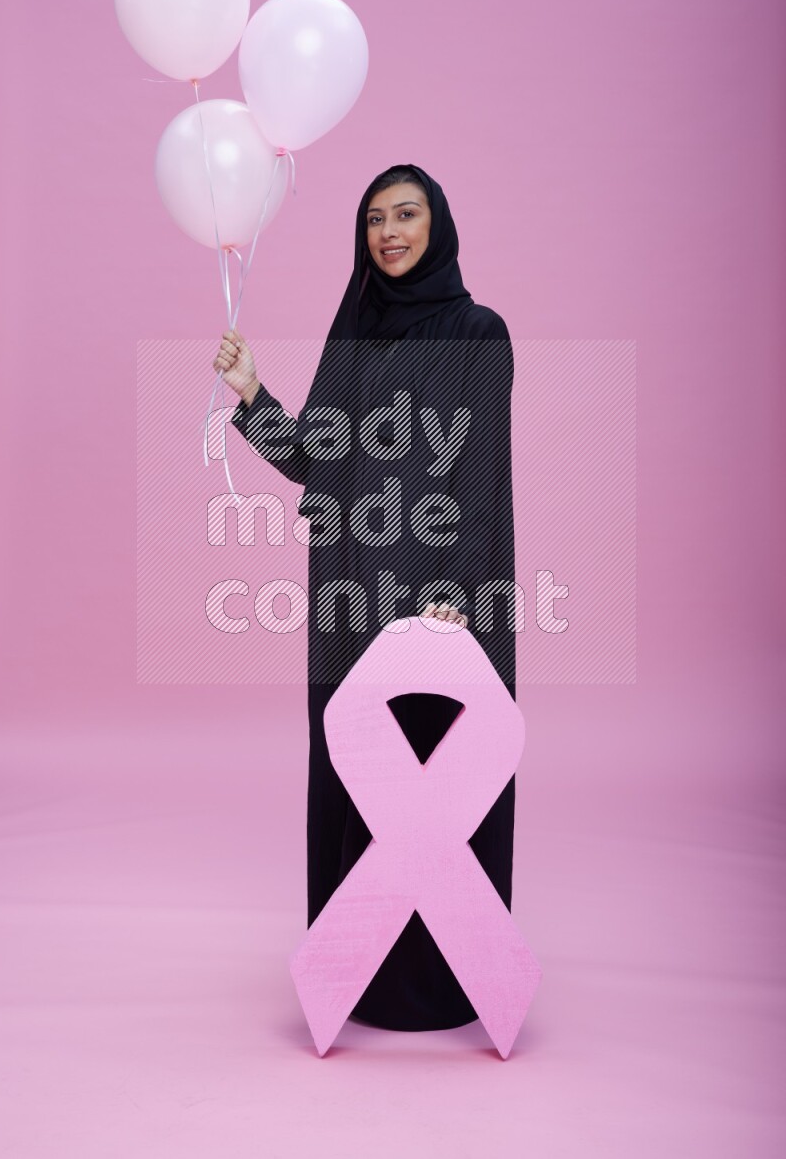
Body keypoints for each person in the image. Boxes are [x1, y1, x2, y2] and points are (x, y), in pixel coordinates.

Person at [213, 164, 517, 1030]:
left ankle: (450, 984)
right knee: (363, 788)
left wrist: (456, 591)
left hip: (437, 607)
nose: (389, 232)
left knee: (437, 791)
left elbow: (481, 473)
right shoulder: (353, 336)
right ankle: (361, 979)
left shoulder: (478, 335)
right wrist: (252, 396)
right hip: (351, 602)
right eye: (375, 219)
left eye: (406, 214)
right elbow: (318, 459)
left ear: (438, 224)